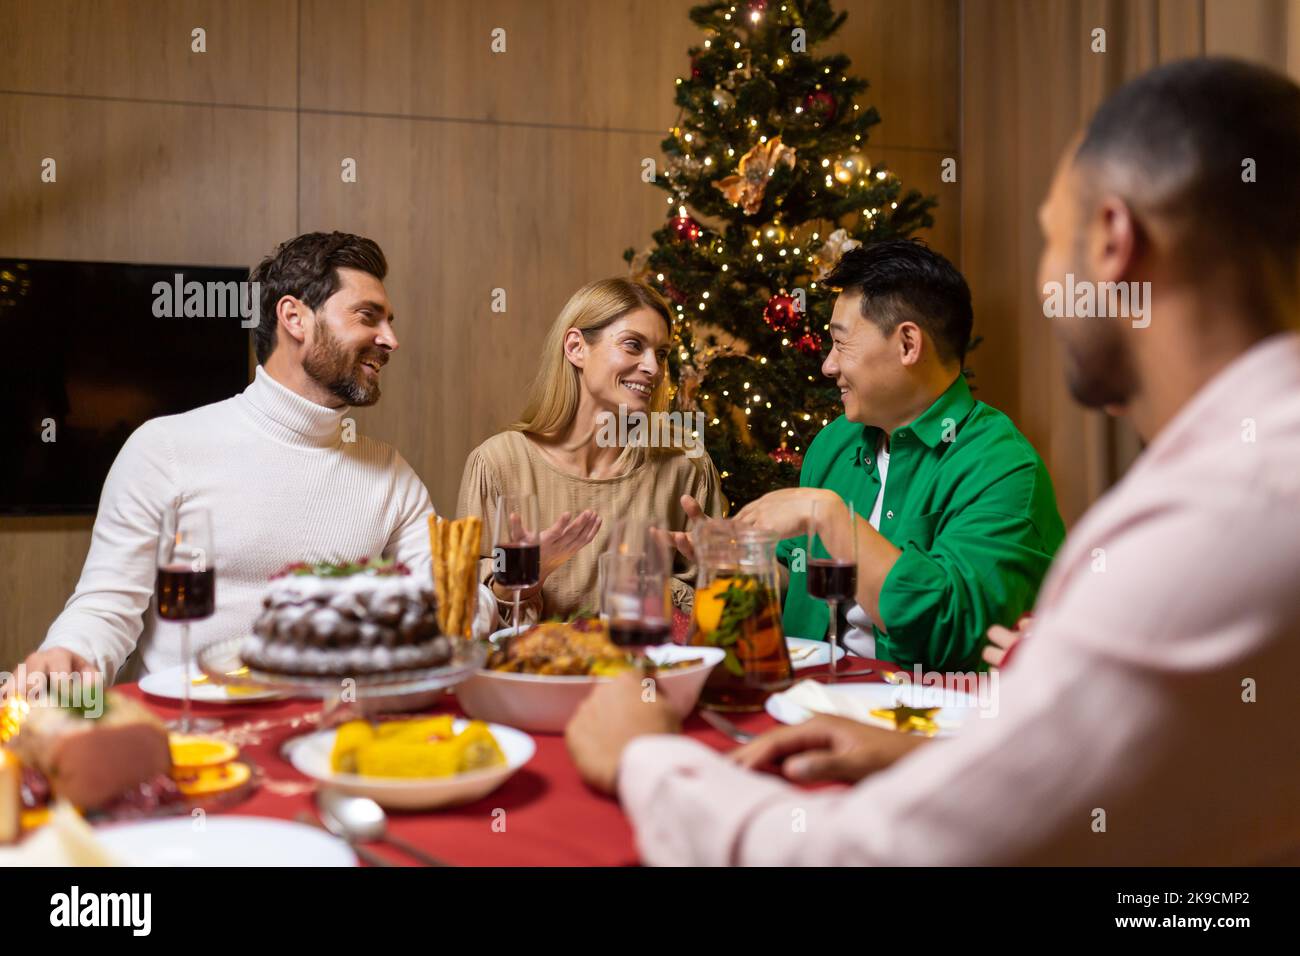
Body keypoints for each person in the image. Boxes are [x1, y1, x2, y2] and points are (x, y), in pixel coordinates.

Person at [566, 57, 1300, 865]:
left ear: (1113, 241)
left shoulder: (1206, 517)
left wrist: (644, 760)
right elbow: (1073, 762)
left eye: (1051, 239)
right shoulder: (1237, 474)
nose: (1048, 284)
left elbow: (883, 856)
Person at [23, 231, 493, 684]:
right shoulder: (164, 448)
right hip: (197, 739)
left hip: (330, 735)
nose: (390, 339)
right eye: (369, 317)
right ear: (295, 317)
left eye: (390, 321)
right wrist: (67, 660)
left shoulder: (391, 474)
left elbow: (452, 606)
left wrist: (494, 593)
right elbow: (105, 609)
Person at [711, 240, 1064, 673]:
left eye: (841, 344)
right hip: (807, 696)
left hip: (927, 720)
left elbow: (951, 633)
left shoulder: (1002, 466)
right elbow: (794, 575)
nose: (828, 366)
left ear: (908, 344)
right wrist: (732, 561)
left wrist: (834, 518)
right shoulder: (833, 443)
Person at [457, 278, 724, 624]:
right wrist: (528, 574)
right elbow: (466, 620)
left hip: (649, 674)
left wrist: (713, 571)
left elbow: (721, 612)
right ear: (575, 348)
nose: (654, 369)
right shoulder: (497, 464)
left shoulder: (684, 462)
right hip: (531, 674)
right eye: (633, 346)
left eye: (661, 354)